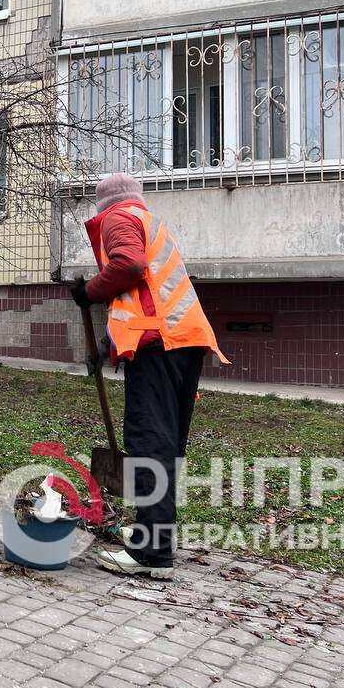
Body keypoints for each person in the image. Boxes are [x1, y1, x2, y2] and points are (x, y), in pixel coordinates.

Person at [71, 172, 227, 579]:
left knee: (150, 441)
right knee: (165, 443)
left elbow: (129, 266)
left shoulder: (118, 219)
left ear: (102, 201)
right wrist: (108, 346)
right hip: (181, 339)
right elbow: (143, 295)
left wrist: (89, 291)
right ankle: (150, 534)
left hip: (160, 345)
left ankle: (153, 554)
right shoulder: (147, 220)